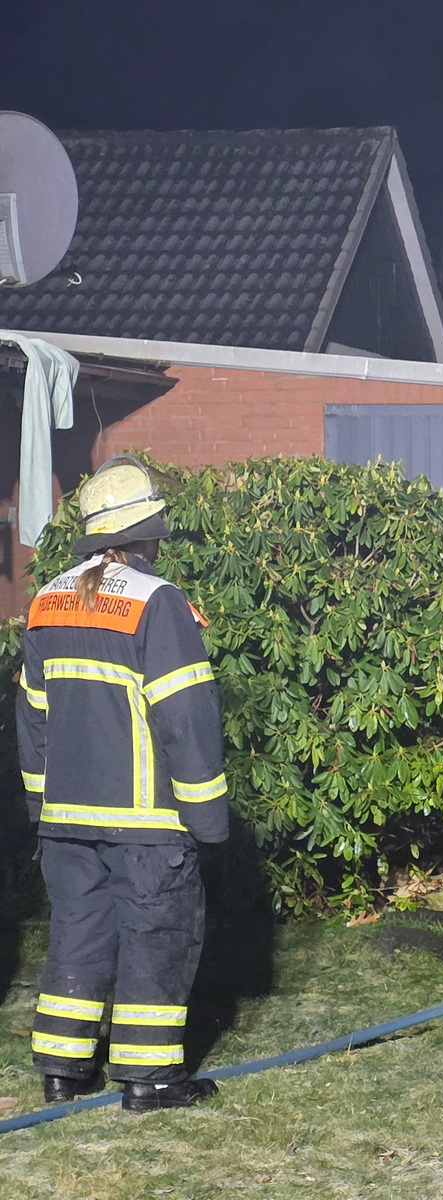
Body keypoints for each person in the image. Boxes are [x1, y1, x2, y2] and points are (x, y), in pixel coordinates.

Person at [17, 456, 228, 1113]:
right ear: (147, 532)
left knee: (78, 934)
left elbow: (32, 717)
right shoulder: (158, 602)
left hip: (66, 819)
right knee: (154, 937)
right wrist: (209, 818)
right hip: (147, 823)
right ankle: (152, 1081)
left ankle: (62, 1069)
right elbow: (185, 717)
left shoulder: (46, 600)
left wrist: (40, 805)